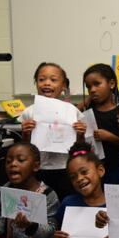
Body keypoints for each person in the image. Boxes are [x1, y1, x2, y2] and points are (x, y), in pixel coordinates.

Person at [20, 62, 86, 199]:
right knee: (41, 208)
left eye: (53, 80)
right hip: (38, 170)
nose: (47, 83)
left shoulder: (72, 112)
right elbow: (24, 147)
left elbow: (80, 147)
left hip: (65, 169)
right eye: (41, 79)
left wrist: (80, 134)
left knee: (64, 204)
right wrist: (26, 133)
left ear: (63, 86)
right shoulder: (29, 112)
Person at [82, 63, 119, 185]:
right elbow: (71, 115)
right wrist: (84, 102)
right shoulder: (87, 110)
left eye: (97, 84)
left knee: (114, 201)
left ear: (112, 84)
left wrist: (109, 137)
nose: (92, 90)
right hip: (90, 167)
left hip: (114, 168)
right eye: (89, 87)